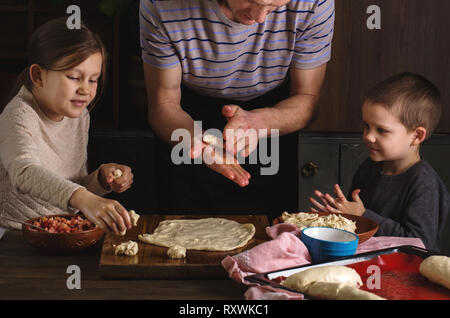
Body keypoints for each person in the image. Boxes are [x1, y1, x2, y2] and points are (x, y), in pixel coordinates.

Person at [140, 0, 335, 219]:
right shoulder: (161, 4)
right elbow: (163, 105)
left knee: (270, 233)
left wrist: (263, 122)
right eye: (253, 1)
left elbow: (307, 98)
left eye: (273, 7)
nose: (260, 18)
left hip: (272, 115)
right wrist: (197, 142)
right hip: (186, 116)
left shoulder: (315, 3)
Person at [0, 17, 134, 235]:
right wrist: (85, 198)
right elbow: (24, 172)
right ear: (38, 76)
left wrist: (101, 179)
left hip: (61, 233)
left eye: (93, 80)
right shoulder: (18, 116)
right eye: (73, 77)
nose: (85, 90)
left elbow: (72, 187)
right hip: (13, 236)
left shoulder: (79, 117)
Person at [309, 72, 450, 251]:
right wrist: (339, 214)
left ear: (416, 136)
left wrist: (363, 216)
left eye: (382, 130)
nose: (368, 136)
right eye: (366, 125)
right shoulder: (369, 166)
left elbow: (420, 244)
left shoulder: (425, 184)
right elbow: (356, 223)